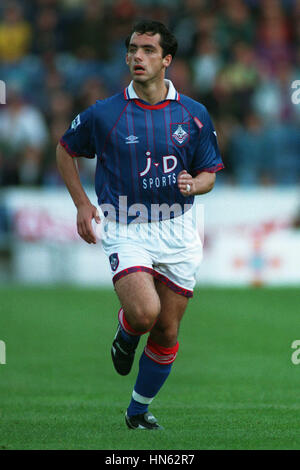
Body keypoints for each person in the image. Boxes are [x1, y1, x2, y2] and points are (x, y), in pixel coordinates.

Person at [56, 20, 224, 430]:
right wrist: (82, 204)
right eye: (132, 49)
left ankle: (137, 412)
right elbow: (65, 150)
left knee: (167, 330)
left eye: (148, 50)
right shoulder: (106, 112)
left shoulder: (194, 114)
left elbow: (210, 175)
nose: (137, 57)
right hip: (127, 224)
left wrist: (194, 184)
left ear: (167, 59)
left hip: (179, 229)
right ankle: (126, 332)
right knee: (145, 312)